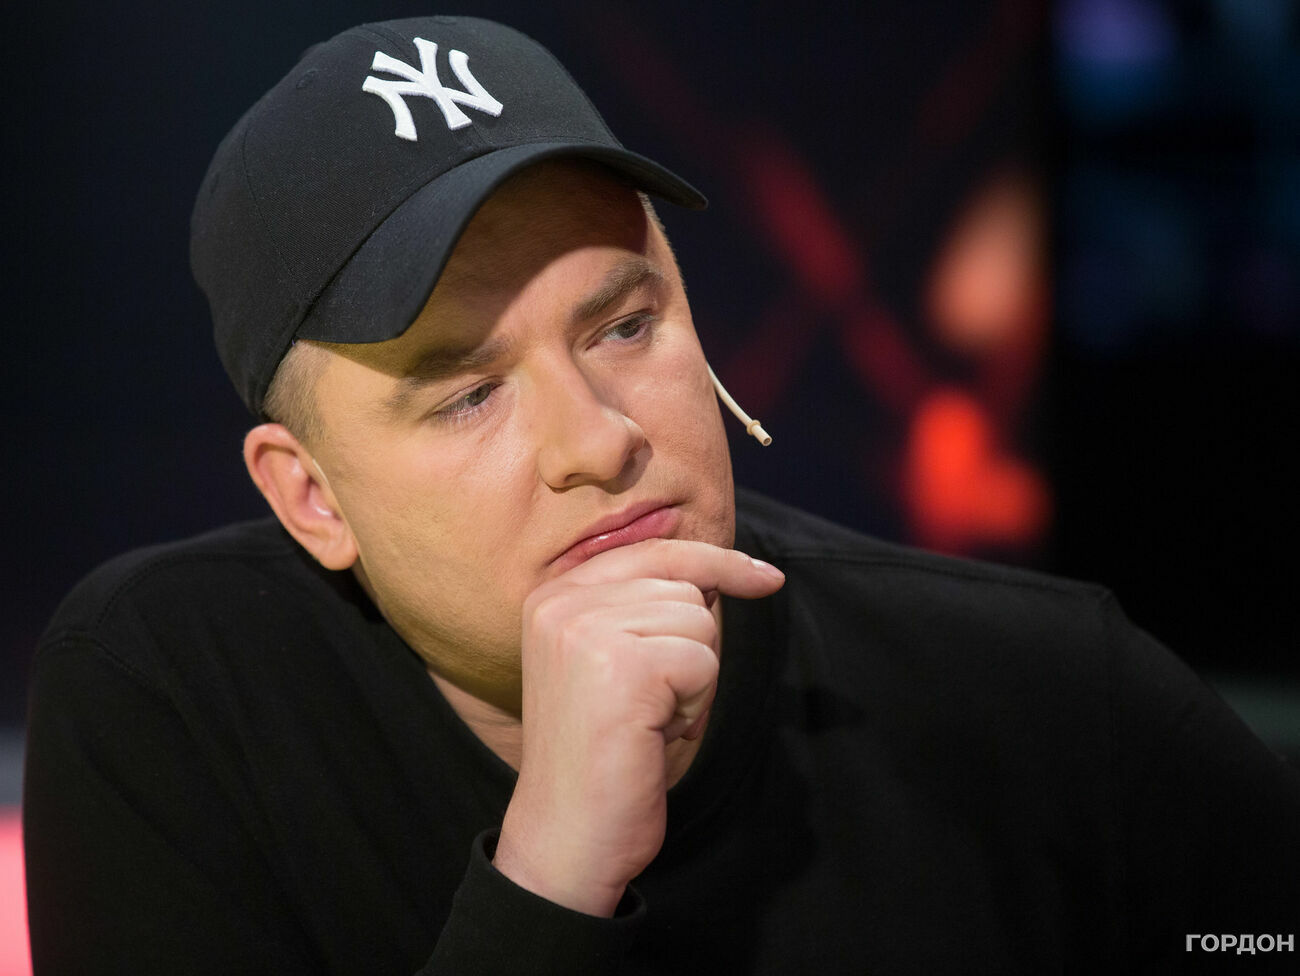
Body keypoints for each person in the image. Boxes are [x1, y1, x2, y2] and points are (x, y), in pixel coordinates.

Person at [23, 14, 1300, 975]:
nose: (598, 440)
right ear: (311, 498)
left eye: (624, 328)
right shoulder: (168, 700)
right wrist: (546, 881)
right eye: (467, 393)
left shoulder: (1046, 695)